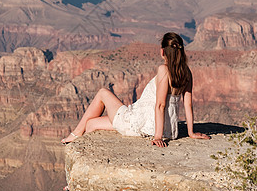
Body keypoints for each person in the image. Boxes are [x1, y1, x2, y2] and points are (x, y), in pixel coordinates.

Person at [61, 32, 210, 147]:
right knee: (91, 124)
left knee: (102, 93)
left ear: (163, 51)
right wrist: (191, 132)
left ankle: (74, 134)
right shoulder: (187, 72)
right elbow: (188, 104)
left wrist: (157, 136)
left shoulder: (164, 70)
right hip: (170, 130)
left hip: (143, 123)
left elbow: (160, 105)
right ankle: (76, 177)